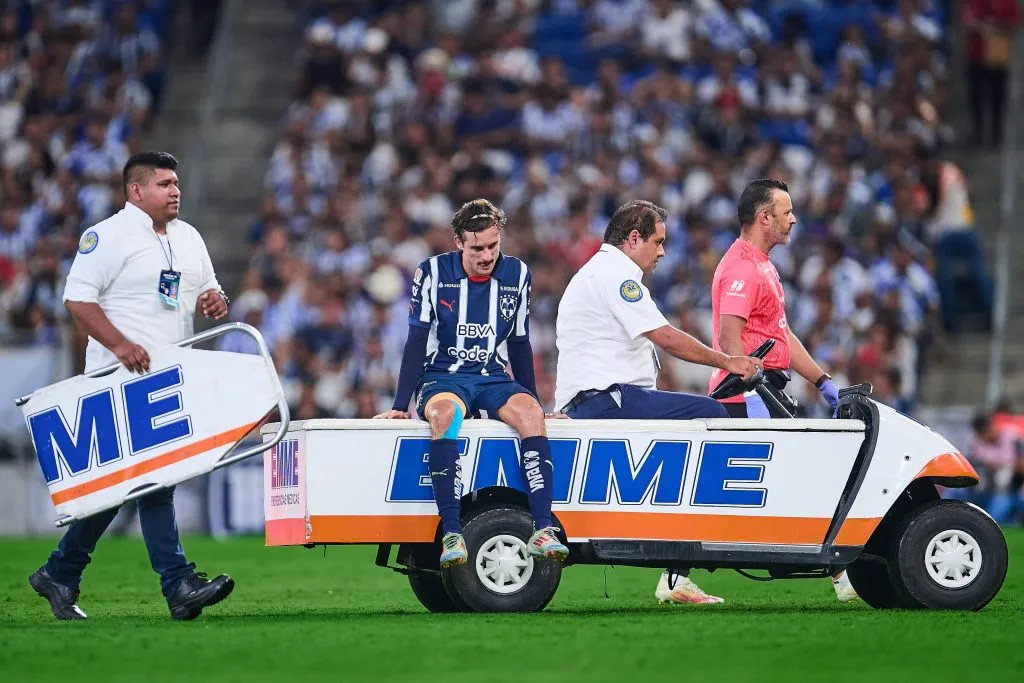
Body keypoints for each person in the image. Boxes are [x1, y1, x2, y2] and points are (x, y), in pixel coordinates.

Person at [28, 152, 235, 621]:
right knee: (155, 482)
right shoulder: (107, 236)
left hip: (168, 377)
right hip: (117, 381)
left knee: (132, 484)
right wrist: (120, 344)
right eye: (164, 184)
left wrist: (215, 300)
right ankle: (178, 585)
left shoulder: (189, 237)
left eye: (176, 182)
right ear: (136, 191)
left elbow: (212, 290)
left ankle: (60, 570)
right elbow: (77, 300)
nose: (175, 191)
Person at [553, 199, 761, 605]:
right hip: (611, 401)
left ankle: (674, 568)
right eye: (658, 241)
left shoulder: (597, 272)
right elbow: (664, 336)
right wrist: (727, 360)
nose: (663, 251)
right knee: (713, 414)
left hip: (598, 400)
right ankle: (677, 570)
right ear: (634, 238)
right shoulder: (617, 275)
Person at [374, 198, 569, 568]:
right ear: (458, 243)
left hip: (492, 376)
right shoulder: (431, 273)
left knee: (530, 414)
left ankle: (543, 527)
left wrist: (533, 398)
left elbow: (519, 342)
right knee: (446, 415)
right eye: (477, 248)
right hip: (442, 376)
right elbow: (416, 340)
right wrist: (401, 404)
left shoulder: (517, 274)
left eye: (493, 246)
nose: (486, 255)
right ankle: (451, 532)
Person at [708, 177, 857, 602]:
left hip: (763, 388)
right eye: (787, 212)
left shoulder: (762, 265)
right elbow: (730, 338)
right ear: (764, 217)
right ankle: (842, 576)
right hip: (748, 393)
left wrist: (823, 381)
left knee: (730, 489)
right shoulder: (741, 266)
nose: (794, 219)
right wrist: (753, 392)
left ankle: (674, 579)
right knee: (811, 475)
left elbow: (780, 334)